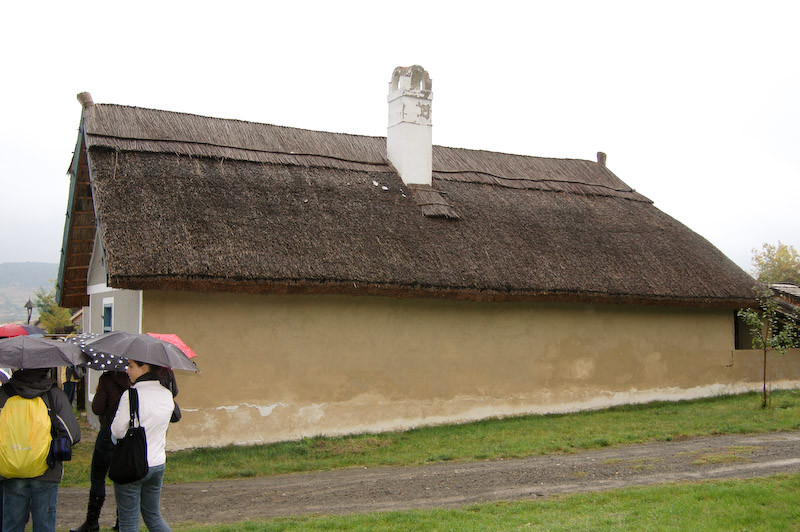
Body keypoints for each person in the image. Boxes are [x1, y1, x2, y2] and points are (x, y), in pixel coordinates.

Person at [0, 368, 82, 532]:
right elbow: (73, 435)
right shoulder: (54, 395)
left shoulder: (4, 394)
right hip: (47, 470)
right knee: (44, 525)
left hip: (11, 469)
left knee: (12, 524)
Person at [111, 360, 174, 532]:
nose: (127, 370)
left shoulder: (132, 395)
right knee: (153, 517)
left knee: (129, 522)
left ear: (144, 368)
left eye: (131, 366)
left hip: (133, 464)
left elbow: (117, 431)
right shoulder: (166, 394)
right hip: (158, 463)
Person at [71, 370, 130, 532]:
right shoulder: (133, 382)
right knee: (123, 478)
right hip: (127, 435)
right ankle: (122, 521)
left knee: (98, 478)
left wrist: (100, 391)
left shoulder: (107, 379)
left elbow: (97, 408)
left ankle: (91, 521)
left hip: (107, 432)